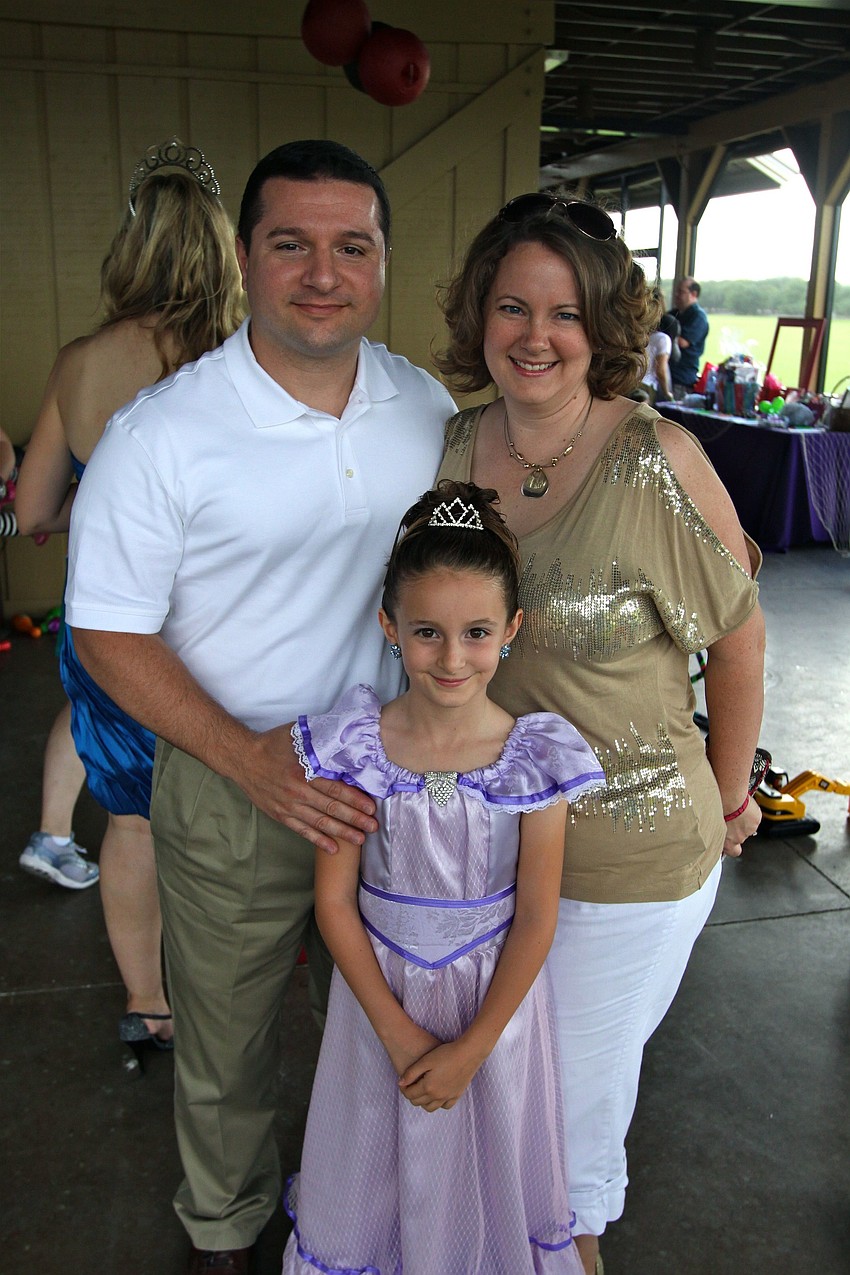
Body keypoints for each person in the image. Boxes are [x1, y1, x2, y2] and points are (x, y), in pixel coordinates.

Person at [64, 139, 456, 1274]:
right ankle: (225, 1230)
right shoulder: (163, 433)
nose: (323, 274)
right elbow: (106, 631)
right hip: (234, 782)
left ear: (382, 262)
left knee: (389, 1024)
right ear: (245, 258)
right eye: (292, 245)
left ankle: (371, 1217)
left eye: (352, 247)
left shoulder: (425, 409)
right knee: (227, 1042)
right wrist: (245, 758)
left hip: (397, 785)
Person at [432, 192, 765, 1274]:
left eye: (566, 313)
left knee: (560, 1138)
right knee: (494, 1107)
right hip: (486, 849)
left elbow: (741, 637)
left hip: (628, 859)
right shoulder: (451, 447)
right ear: (480, 313)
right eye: (514, 307)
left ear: (603, 326)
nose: (537, 335)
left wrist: (729, 799)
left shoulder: (655, 456)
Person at [282, 480, 604, 1275]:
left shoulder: (536, 756)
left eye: (476, 632)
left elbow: (536, 918)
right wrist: (397, 1031)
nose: (452, 657)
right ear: (389, 626)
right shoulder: (356, 745)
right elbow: (334, 903)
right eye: (427, 632)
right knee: (374, 1156)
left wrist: (472, 1048)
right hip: (379, 1001)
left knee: (485, 1158)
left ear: (511, 630)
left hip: (492, 1011)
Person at [14, 138, 244, 1056]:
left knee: (133, 821)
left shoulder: (80, 363)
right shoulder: (240, 361)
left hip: (115, 627)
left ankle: (148, 1002)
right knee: (240, 810)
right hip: (223, 624)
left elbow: (36, 510)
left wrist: (107, 500)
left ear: (129, 247)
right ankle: (240, 986)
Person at [669, 275, 709, 399]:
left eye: (681, 291)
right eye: (676, 291)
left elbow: (683, 342)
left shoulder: (698, 317)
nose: (676, 295)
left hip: (681, 379)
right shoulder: (673, 314)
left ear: (694, 294)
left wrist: (662, 336)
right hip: (666, 375)